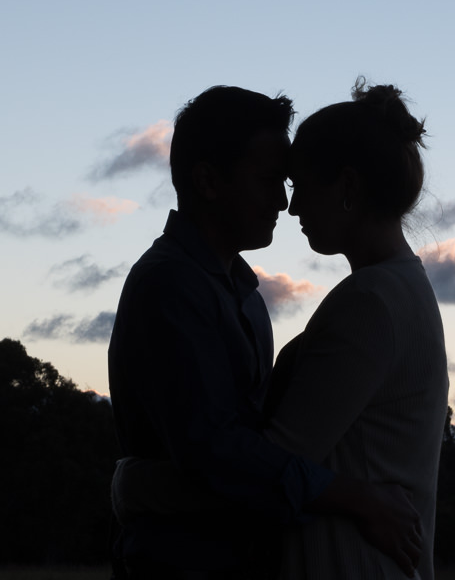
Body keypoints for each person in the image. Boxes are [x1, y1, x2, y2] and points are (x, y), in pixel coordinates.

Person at [108, 86, 422, 580]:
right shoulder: (169, 286)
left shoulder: (246, 296)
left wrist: (135, 484)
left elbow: (254, 452)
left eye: (288, 183)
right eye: (269, 181)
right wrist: (355, 498)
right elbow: (220, 458)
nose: (283, 201)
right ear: (209, 181)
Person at [266, 82, 449, 580]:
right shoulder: (403, 287)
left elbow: (273, 467)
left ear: (347, 187)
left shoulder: (369, 302)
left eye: (301, 185)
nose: (292, 207)